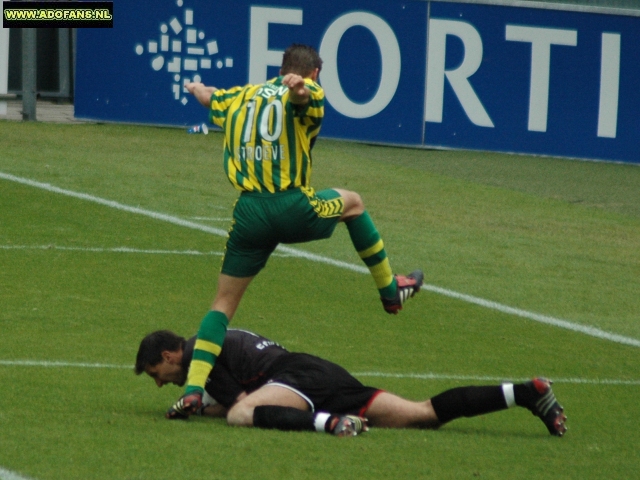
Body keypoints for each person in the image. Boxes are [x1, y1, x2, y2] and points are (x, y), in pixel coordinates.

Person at [172, 43, 423, 418]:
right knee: (353, 202)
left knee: (222, 304)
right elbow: (303, 100)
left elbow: (211, 98)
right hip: (292, 205)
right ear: (316, 73)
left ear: (282, 67)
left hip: (249, 212)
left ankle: (193, 390)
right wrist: (299, 90)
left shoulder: (242, 96)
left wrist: (196, 89)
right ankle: (391, 291)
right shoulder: (308, 88)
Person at [135, 329, 568, 437]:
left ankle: (332, 424)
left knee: (241, 417)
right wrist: (199, 407)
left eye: (158, 375)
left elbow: (242, 403)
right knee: (421, 416)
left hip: (297, 378)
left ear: (171, 355)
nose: (160, 385)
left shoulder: (199, 354)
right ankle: (525, 394)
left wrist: (199, 407)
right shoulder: (208, 346)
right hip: (322, 373)